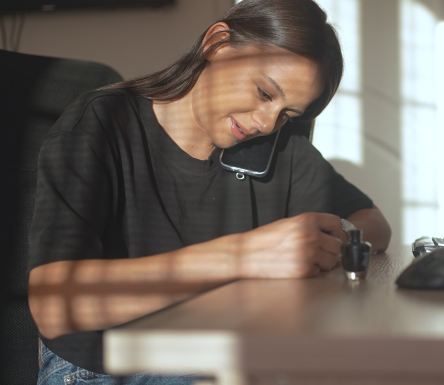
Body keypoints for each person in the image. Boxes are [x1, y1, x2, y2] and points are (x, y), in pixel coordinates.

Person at [27, 0, 392, 383]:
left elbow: (373, 224)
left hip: (222, 358)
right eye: (265, 93)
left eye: (288, 114)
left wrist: (327, 242)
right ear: (217, 43)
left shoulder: (276, 151)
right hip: (102, 368)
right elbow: (55, 307)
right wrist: (245, 256)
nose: (267, 124)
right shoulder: (102, 123)